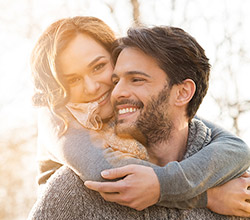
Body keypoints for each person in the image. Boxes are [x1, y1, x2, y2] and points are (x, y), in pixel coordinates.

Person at [27, 17, 250, 219]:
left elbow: (234, 147)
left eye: (99, 67)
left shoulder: (129, 104)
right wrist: (207, 198)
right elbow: (111, 176)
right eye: (73, 80)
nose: (92, 87)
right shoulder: (58, 117)